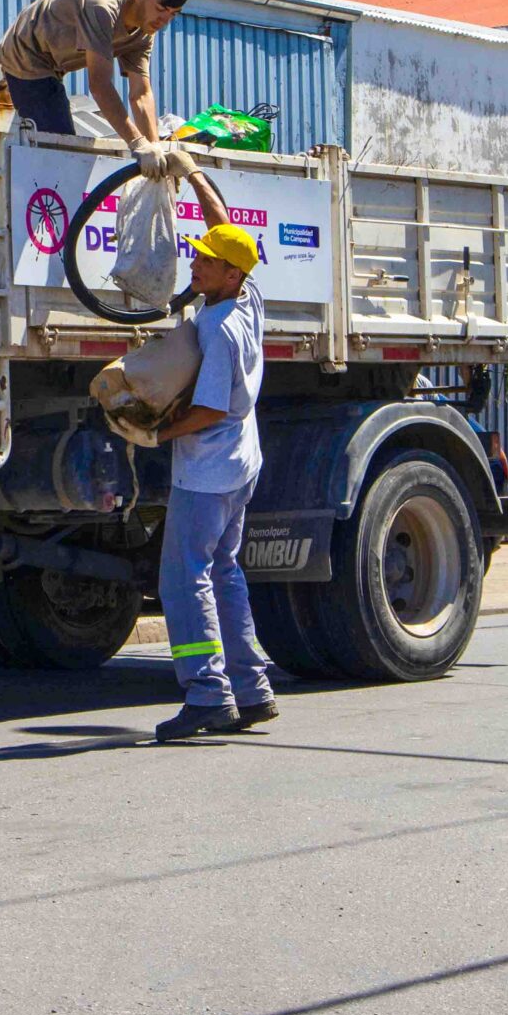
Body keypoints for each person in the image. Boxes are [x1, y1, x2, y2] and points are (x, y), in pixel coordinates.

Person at [149, 169, 278, 742]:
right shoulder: (247, 297)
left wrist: (158, 432)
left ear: (229, 274)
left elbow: (212, 410)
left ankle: (207, 693)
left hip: (207, 471)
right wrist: (196, 176)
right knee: (224, 571)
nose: (194, 264)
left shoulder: (220, 329)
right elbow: (226, 233)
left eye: (204, 261)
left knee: (184, 579)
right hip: (240, 468)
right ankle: (252, 689)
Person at [0, 0, 189, 159]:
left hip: (52, 65)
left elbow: (140, 94)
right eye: (161, 9)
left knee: (63, 145)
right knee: (60, 151)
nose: (165, 20)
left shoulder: (145, 31)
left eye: (173, 14)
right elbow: (99, 85)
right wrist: (138, 143)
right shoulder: (102, 9)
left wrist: (155, 149)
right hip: (24, 52)